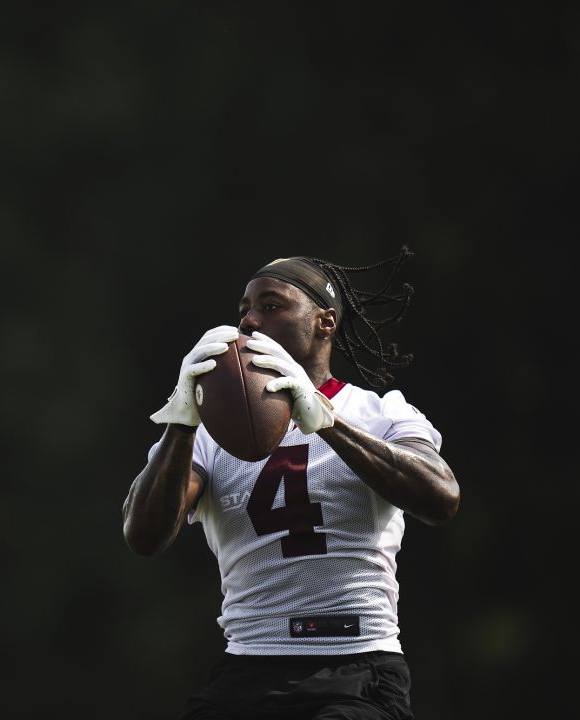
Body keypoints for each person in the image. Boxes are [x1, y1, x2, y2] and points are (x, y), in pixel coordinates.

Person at [122, 249, 459, 720]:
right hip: (248, 665)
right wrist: (180, 422)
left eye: (271, 306)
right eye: (244, 311)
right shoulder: (205, 435)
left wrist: (325, 421)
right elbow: (144, 535)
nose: (250, 323)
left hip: (355, 664)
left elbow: (441, 499)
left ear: (325, 321)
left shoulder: (382, 413)